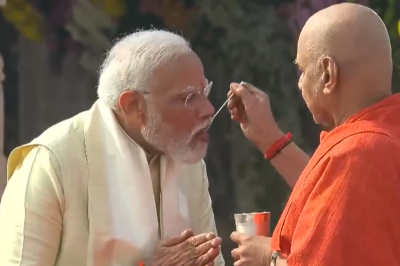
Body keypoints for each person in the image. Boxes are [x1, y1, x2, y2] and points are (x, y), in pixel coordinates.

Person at [0, 30, 224, 266]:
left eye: (204, 92)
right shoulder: (51, 162)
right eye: (188, 97)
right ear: (133, 105)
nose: (208, 109)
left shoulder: (188, 160)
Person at [227, 3, 400, 266]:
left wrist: (268, 257)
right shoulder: (382, 137)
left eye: (303, 70)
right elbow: (336, 201)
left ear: (328, 74)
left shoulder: (359, 152)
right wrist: (269, 139)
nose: (299, 83)